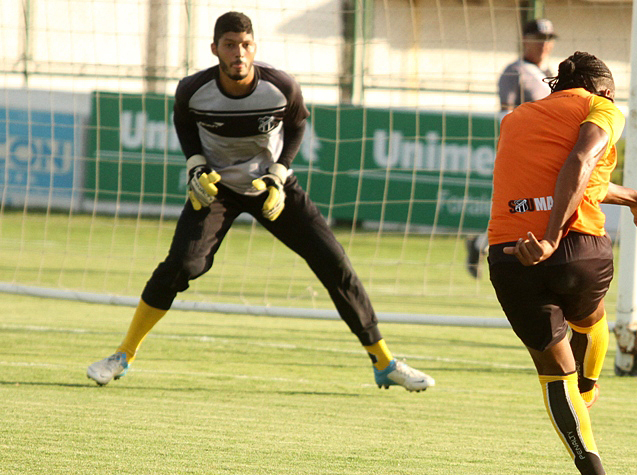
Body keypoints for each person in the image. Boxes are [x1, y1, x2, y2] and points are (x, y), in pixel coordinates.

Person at [87, 11, 434, 392]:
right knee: (183, 264)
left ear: (255, 48)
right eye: (230, 45)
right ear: (215, 49)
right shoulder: (192, 90)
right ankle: (123, 354)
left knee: (333, 261)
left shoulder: (281, 87)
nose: (239, 53)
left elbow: (297, 125)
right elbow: (184, 123)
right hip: (217, 189)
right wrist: (195, 166)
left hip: (271, 186)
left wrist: (279, 174)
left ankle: (384, 362)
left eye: (246, 45)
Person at [487, 52, 637, 475]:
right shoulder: (601, 107)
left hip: (510, 254)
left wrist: (633, 196)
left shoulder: (515, 119)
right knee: (591, 320)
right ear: (604, 90)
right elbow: (581, 161)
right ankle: (587, 389)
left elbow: (571, 180)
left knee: (553, 375)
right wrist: (551, 238)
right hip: (576, 248)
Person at [466, 18, 557, 277]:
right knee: (521, 204)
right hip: (523, 150)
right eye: (538, 38)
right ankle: (489, 246)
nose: (544, 44)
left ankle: (480, 243)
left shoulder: (551, 72)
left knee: (535, 204)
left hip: (548, 151)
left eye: (548, 39)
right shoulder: (514, 71)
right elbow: (504, 114)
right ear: (525, 40)